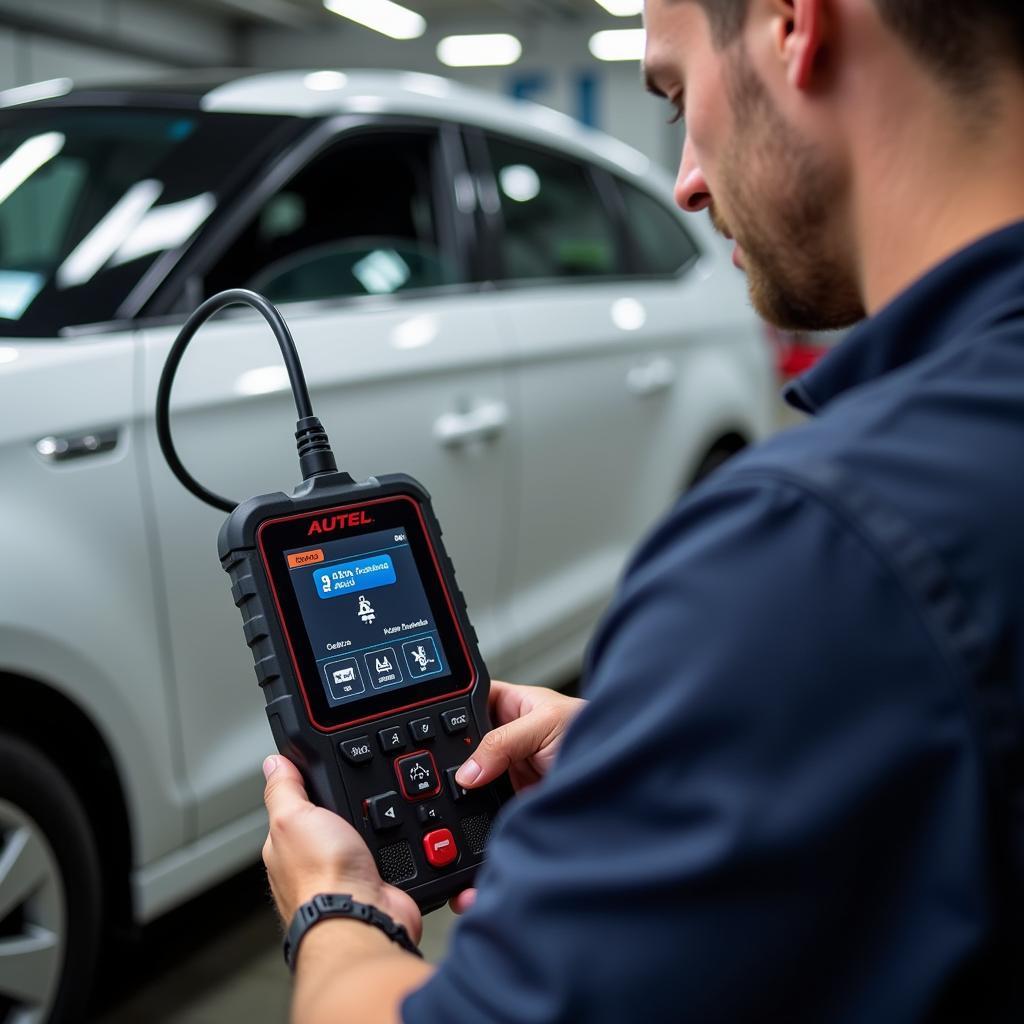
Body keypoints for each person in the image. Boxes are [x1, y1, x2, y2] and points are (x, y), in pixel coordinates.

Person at [260, 0, 1024, 1019]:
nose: (688, 181)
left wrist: (335, 914)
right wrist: (698, 742)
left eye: (674, 98)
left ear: (793, 24)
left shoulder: (814, 550)